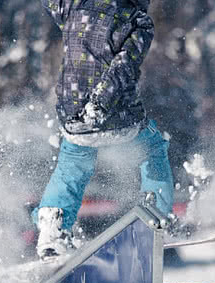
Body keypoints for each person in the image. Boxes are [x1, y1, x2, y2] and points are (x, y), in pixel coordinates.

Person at [34, 0, 174, 259]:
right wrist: (99, 103)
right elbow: (123, 67)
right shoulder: (138, 22)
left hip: (74, 118)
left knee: (71, 169)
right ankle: (157, 215)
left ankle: (52, 229)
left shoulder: (73, 6)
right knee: (153, 148)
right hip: (119, 118)